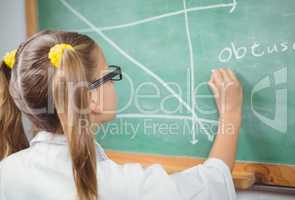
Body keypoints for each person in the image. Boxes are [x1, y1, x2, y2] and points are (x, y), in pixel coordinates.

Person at [0, 30, 243, 200]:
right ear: (91, 98)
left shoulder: (7, 172)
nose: (115, 83)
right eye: (109, 76)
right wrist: (231, 115)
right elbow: (211, 184)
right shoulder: (121, 186)